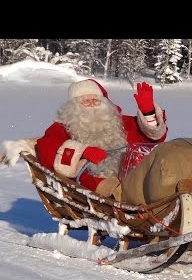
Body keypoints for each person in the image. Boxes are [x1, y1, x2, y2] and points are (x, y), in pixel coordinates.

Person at [35, 79, 168, 200]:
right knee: (93, 179)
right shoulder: (63, 127)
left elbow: (150, 139)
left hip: (131, 177)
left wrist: (148, 113)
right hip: (93, 184)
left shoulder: (120, 122)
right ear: (74, 107)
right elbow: (45, 147)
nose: (92, 104)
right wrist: (83, 151)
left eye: (96, 100)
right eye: (86, 101)